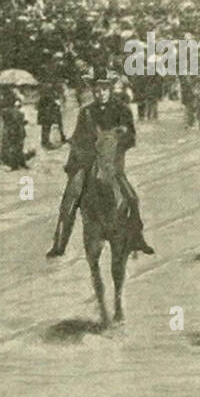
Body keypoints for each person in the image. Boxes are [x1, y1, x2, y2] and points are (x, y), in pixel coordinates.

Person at [47, 69, 154, 259]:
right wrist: (74, 143)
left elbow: (131, 138)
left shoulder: (122, 110)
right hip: (87, 163)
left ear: (110, 89)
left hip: (112, 162)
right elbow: (78, 137)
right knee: (70, 199)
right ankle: (60, 242)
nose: (100, 93)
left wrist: (120, 138)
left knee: (131, 199)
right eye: (97, 89)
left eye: (104, 89)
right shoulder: (86, 111)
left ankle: (137, 238)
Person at [37, 83, 65, 149]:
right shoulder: (47, 95)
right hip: (47, 114)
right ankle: (45, 142)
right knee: (46, 127)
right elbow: (45, 105)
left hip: (47, 113)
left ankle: (45, 141)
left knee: (46, 127)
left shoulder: (50, 94)